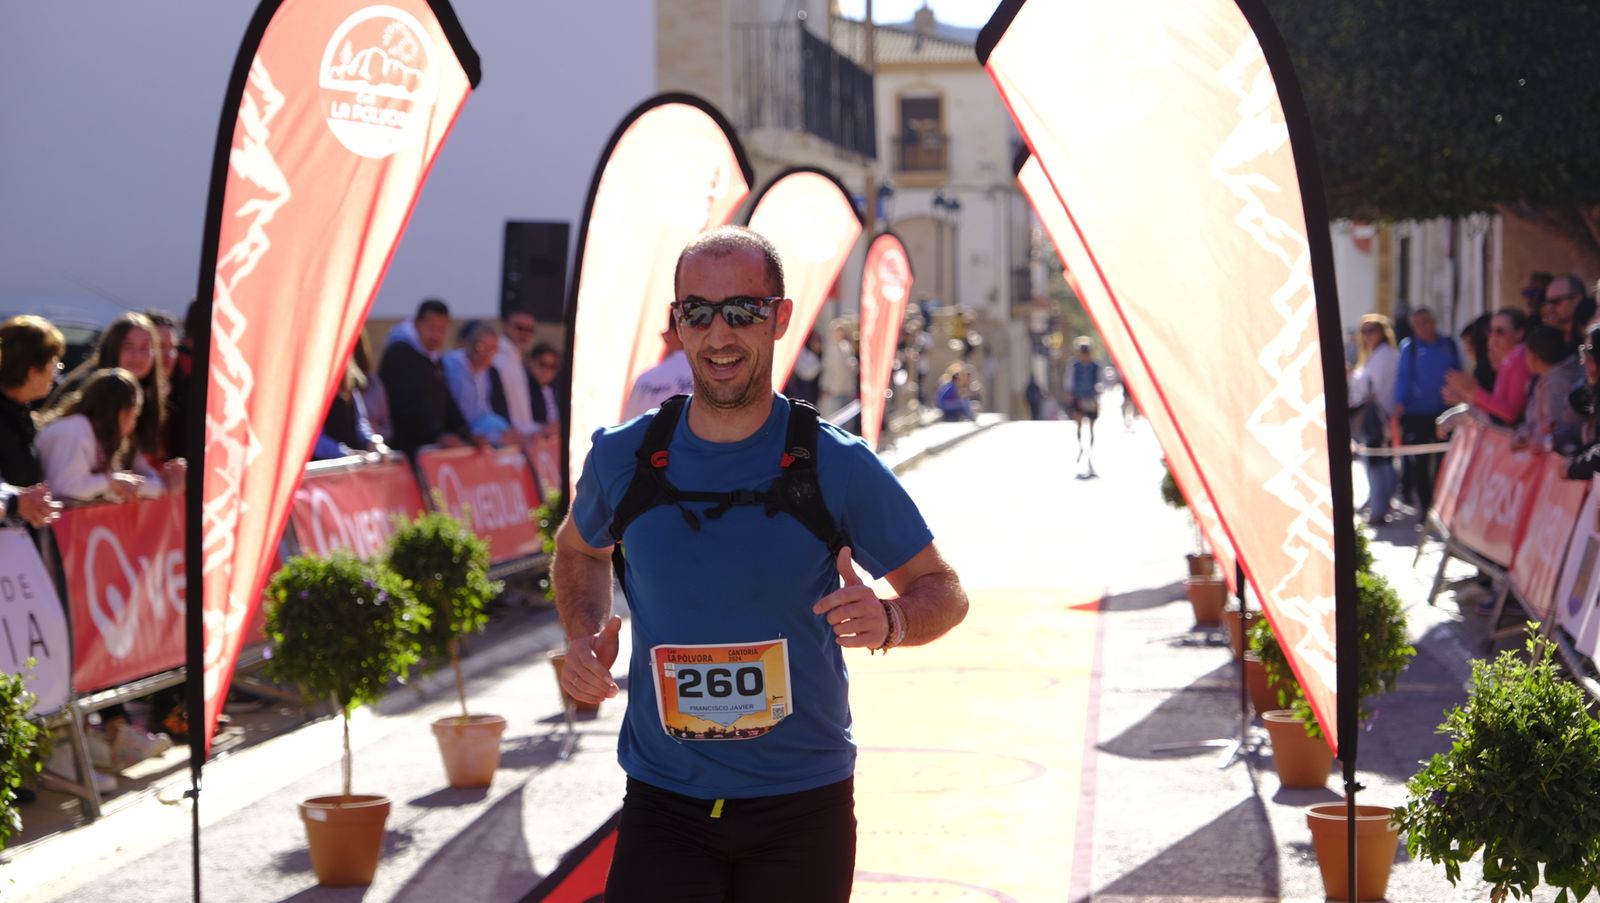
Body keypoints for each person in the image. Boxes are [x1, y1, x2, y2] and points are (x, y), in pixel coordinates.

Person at [552, 226, 968, 902]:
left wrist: (891, 618)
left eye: (741, 311)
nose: (719, 334)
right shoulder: (623, 458)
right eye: (699, 312)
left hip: (800, 806)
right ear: (677, 324)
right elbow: (577, 550)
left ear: (779, 319)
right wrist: (583, 632)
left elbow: (943, 591)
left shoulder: (836, 463)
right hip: (665, 804)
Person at [53, 312, 184, 493]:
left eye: (146, 347)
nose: (137, 356)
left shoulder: (149, 397)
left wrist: (166, 485)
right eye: (128, 346)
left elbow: (136, 467)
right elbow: (69, 483)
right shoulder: (86, 394)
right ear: (112, 348)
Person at [378, 298, 472, 456]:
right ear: (417, 324)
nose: (436, 335)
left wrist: (465, 432)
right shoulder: (399, 354)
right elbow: (405, 406)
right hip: (407, 450)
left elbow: (446, 401)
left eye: (442, 330)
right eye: (431, 328)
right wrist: (437, 436)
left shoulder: (433, 357)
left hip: (431, 450)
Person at [1390, 307, 1459, 518]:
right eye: (1419, 324)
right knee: (1419, 463)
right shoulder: (1409, 348)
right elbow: (1403, 377)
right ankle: (1425, 506)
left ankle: (1441, 506)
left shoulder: (1448, 345)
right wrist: (1399, 404)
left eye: (1427, 322)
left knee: (1443, 461)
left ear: (1434, 322)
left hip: (1443, 412)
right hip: (1416, 414)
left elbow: (1457, 371)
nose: (1424, 327)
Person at [0, 316, 65, 528]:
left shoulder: (20, 412)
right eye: (54, 365)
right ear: (33, 372)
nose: (55, 375)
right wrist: (16, 502)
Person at [1349, 314, 1400, 524]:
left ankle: (1380, 508)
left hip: (1378, 414)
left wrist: (1353, 377)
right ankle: (1378, 503)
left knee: (1377, 461)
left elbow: (1372, 387)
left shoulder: (1385, 355)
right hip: (1378, 414)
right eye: (1364, 331)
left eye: (1372, 330)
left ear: (1383, 332)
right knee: (1379, 460)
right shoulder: (1375, 355)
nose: (1367, 335)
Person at [1444, 308, 1529, 427]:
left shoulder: (1520, 358)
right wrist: (1467, 394)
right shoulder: (1507, 361)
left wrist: (1472, 391)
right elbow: (1495, 411)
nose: (1493, 337)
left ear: (1519, 333)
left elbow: (1510, 415)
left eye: (1500, 332)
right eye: (1491, 331)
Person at [443, 321, 516, 445]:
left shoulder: (487, 372)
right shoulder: (451, 366)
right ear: (468, 344)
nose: (487, 354)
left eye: (493, 350)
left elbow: (484, 410)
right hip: (458, 435)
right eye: (481, 347)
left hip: (480, 434)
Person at [1516, 325, 1586, 449]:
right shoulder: (1544, 379)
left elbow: (1556, 427)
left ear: (1533, 356)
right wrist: (1524, 434)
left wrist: (1534, 440)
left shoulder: (1556, 383)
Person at [623, 310, 697, 421]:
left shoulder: (644, 378)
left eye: (665, 334)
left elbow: (626, 427)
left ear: (675, 333)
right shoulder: (711, 376)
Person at [491, 309, 540, 437]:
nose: (524, 334)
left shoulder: (515, 358)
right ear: (505, 326)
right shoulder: (499, 358)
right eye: (520, 328)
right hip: (507, 437)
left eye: (530, 330)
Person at [1066, 338, 1101, 468]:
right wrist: (1071, 394)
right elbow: (1069, 381)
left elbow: (1100, 381)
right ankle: (1081, 447)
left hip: (1091, 399)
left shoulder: (1095, 366)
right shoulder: (1074, 366)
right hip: (1078, 399)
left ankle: (1090, 450)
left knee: (1092, 427)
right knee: (1079, 425)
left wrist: (1097, 394)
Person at [527, 342, 562, 432]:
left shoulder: (557, 389)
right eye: (542, 364)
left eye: (552, 366)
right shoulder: (524, 389)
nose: (547, 370)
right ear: (531, 362)